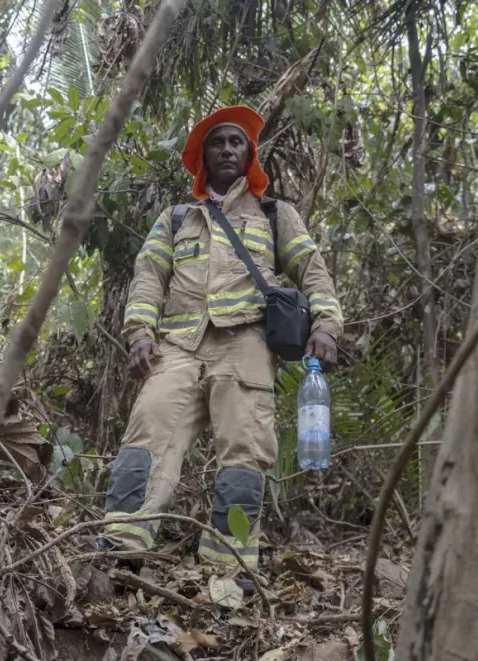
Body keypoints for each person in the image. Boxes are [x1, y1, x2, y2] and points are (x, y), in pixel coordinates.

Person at [96, 105, 343, 590]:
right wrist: (140, 332)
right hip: (179, 344)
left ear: (249, 153)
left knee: (245, 453)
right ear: (202, 155)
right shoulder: (177, 218)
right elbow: (148, 278)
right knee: (148, 430)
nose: (228, 149)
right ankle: (121, 552)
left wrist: (328, 326)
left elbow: (313, 272)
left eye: (237, 142)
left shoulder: (275, 215)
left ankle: (228, 568)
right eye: (218, 142)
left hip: (246, 344)